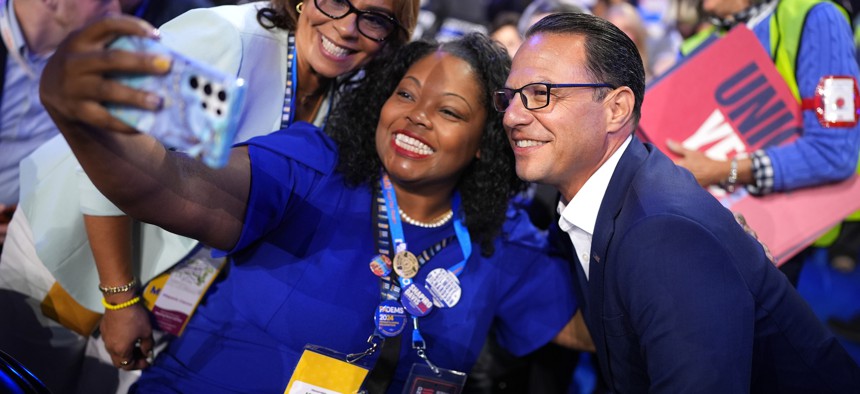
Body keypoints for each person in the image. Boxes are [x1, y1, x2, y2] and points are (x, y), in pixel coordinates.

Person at [40, 18, 590, 392]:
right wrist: (85, 119)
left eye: (448, 111)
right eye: (404, 93)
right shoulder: (315, 168)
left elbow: (605, 333)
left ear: (485, 142)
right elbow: (171, 186)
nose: (414, 115)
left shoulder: (500, 236)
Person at [0, 0, 419, 391]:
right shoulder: (223, 38)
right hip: (71, 261)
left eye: (375, 18)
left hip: (160, 291)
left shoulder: (346, 91)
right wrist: (120, 300)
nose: (347, 28)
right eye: (334, 0)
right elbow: (110, 159)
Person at [495, 11, 860, 392]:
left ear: (616, 109)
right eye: (510, 97)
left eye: (541, 94)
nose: (513, 116)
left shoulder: (665, 235)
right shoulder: (597, 200)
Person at [667, 0, 860, 285]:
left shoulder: (816, 17)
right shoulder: (700, 45)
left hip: (781, 231)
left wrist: (726, 170)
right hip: (713, 233)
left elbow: (835, 151)